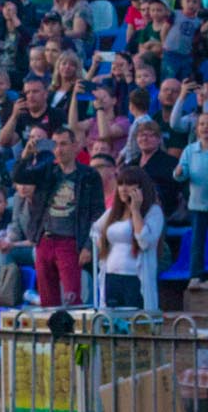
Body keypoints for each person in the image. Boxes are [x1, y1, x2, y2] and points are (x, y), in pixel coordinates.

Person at [16, 130, 107, 306]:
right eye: (55, 144)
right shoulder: (46, 171)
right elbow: (19, 177)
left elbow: (98, 213)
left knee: (72, 296)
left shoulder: (89, 175)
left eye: (63, 144)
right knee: (47, 298)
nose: (59, 149)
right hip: (45, 239)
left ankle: (73, 332)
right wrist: (26, 156)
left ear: (75, 146)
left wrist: (88, 245)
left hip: (70, 241)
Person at [90, 166, 165, 311]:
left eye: (129, 184)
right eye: (120, 184)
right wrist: (101, 244)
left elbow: (145, 241)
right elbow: (95, 229)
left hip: (135, 278)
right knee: (112, 322)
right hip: (111, 276)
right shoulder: (113, 211)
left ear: (141, 187)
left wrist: (135, 210)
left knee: (134, 321)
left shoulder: (153, 211)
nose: (124, 189)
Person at [179, 109, 208, 287]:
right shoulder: (190, 150)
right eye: (202, 124)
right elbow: (181, 173)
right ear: (197, 129)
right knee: (197, 241)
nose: (206, 128)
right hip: (197, 205)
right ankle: (195, 276)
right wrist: (179, 172)